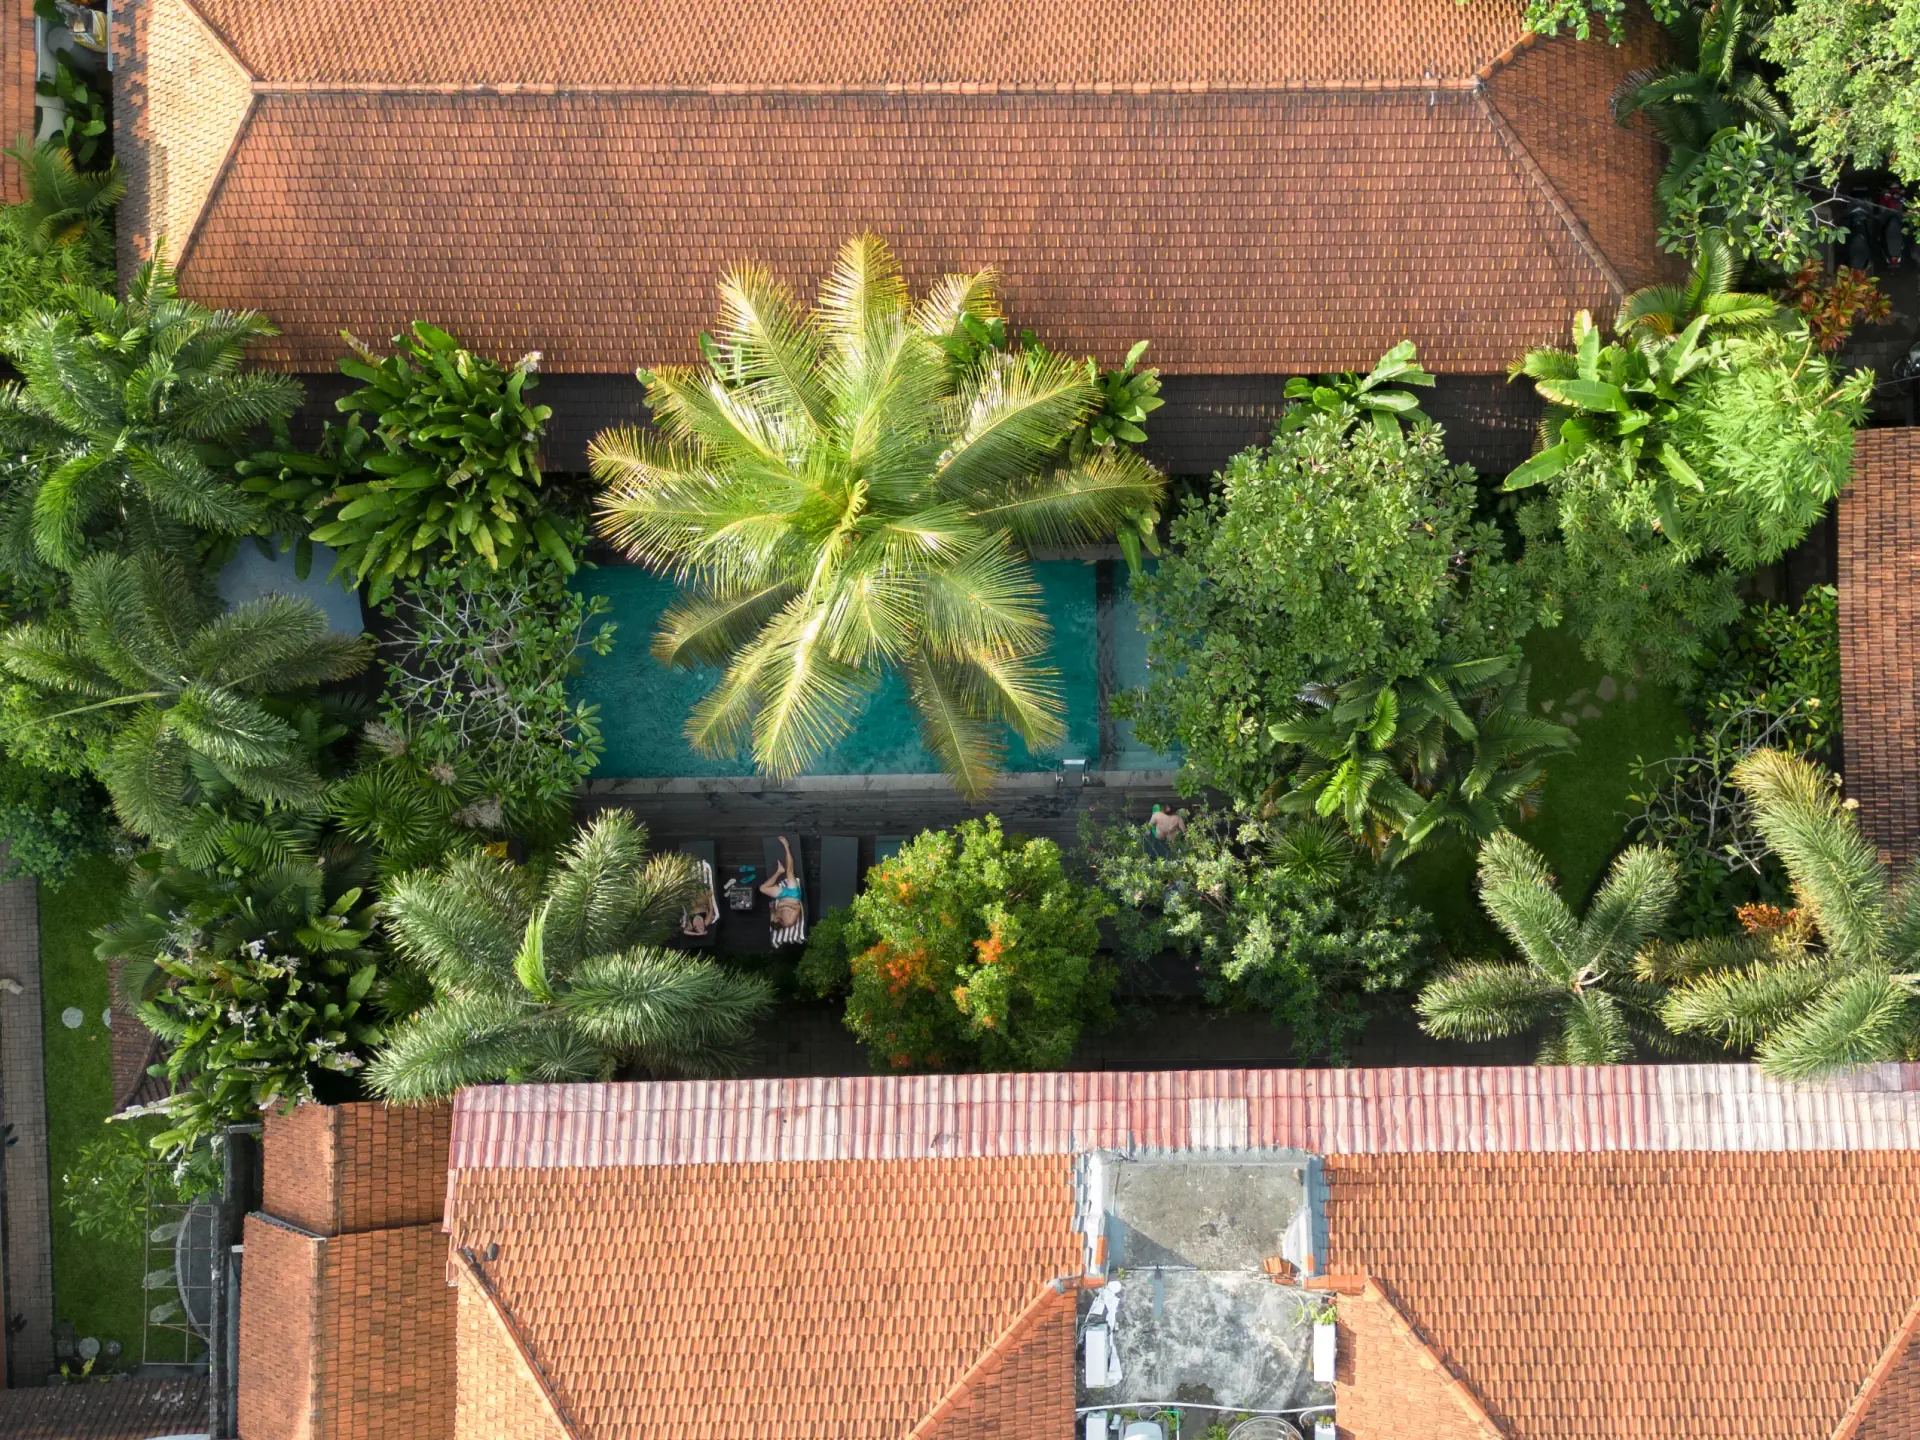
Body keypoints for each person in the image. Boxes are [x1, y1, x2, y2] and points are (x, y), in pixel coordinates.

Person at [759, 837, 804, 930]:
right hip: (793, 895)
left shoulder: (773, 920)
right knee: (789, 872)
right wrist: (786, 906)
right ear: (781, 922)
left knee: (762, 889)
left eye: (775, 918)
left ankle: (779, 871)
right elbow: (797, 908)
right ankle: (786, 846)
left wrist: (772, 907)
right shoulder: (789, 922)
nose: (776, 917)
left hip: (782, 896)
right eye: (777, 918)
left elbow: (772, 910)